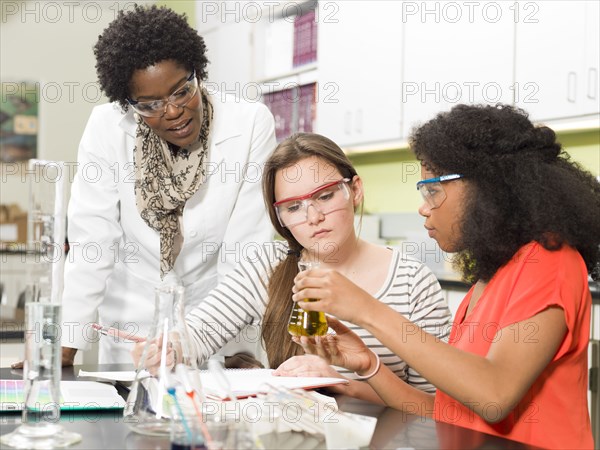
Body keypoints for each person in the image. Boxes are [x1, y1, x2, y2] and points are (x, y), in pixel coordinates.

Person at [291, 104, 599, 448]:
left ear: (488, 187)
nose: (423, 206)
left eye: (432, 190)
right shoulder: (489, 280)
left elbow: (494, 396)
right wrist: (368, 365)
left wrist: (365, 309)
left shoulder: (549, 261)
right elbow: (452, 413)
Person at [136, 132, 452, 402]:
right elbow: (198, 334)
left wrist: (343, 384)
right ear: (280, 218)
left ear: (354, 190)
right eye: (293, 207)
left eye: (325, 196)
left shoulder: (413, 281)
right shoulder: (267, 267)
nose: (313, 217)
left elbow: (437, 406)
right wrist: (167, 348)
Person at [43, 5, 276, 366]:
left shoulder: (249, 124)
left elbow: (246, 252)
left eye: (182, 91)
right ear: (128, 104)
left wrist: (224, 345)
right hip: (132, 325)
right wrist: (64, 348)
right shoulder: (106, 129)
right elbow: (93, 241)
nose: (172, 111)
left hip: (219, 325)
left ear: (197, 72)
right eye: (150, 104)